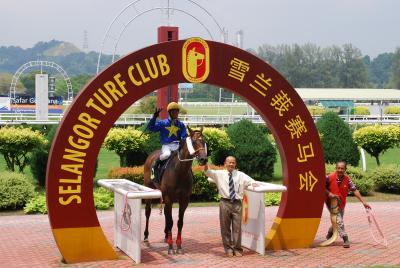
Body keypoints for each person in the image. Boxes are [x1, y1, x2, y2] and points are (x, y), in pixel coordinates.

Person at [203, 156, 257, 257]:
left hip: (237, 203)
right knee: (225, 228)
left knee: (237, 228)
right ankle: (228, 249)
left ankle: (237, 249)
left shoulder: (240, 175)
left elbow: (251, 181)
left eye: (233, 163)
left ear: (235, 164)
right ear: (225, 163)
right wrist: (205, 163)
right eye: (229, 162)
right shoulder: (219, 174)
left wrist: (253, 184)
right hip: (225, 203)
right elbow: (207, 172)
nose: (231, 164)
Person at [325, 160, 371, 248]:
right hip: (331, 202)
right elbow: (321, 186)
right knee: (339, 221)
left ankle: (330, 232)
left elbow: (354, 190)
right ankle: (345, 238)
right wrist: (330, 194)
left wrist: (363, 202)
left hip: (342, 203)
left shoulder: (347, 179)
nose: (340, 170)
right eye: (338, 168)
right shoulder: (329, 177)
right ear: (336, 168)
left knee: (338, 220)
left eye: (342, 168)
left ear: (345, 169)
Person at [148, 102, 188, 185]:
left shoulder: (181, 124)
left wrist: (183, 140)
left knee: (185, 157)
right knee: (166, 155)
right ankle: (155, 164)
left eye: (177, 112)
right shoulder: (163, 123)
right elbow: (151, 128)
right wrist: (154, 117)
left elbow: (184, 136)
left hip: (177, 145)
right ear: (170, 113)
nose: (176, 114)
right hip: (167, 146)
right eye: (174, 112)